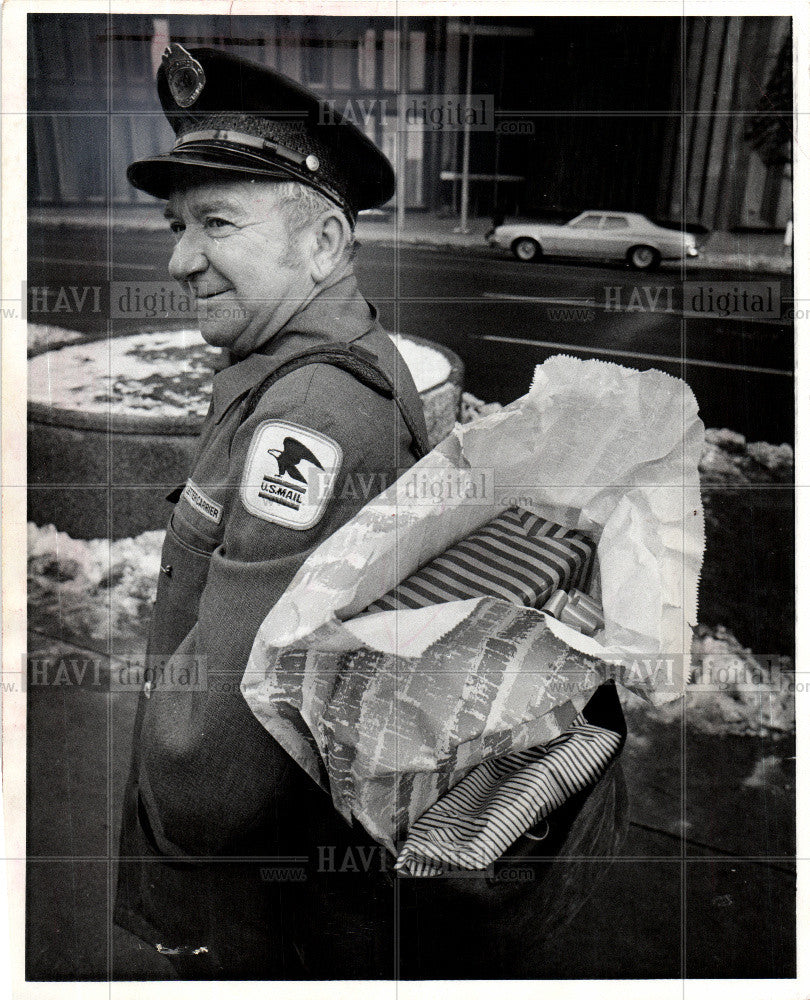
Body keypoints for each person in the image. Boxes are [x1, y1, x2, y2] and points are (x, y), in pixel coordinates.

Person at [114, 43, 627, 981]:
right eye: (176, 224)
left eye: (216, 222)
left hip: (275, 896)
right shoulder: (350, 351)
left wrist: (160, 788)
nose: (181, 258)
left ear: (324, 245)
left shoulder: (306, 417)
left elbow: (216, 776)